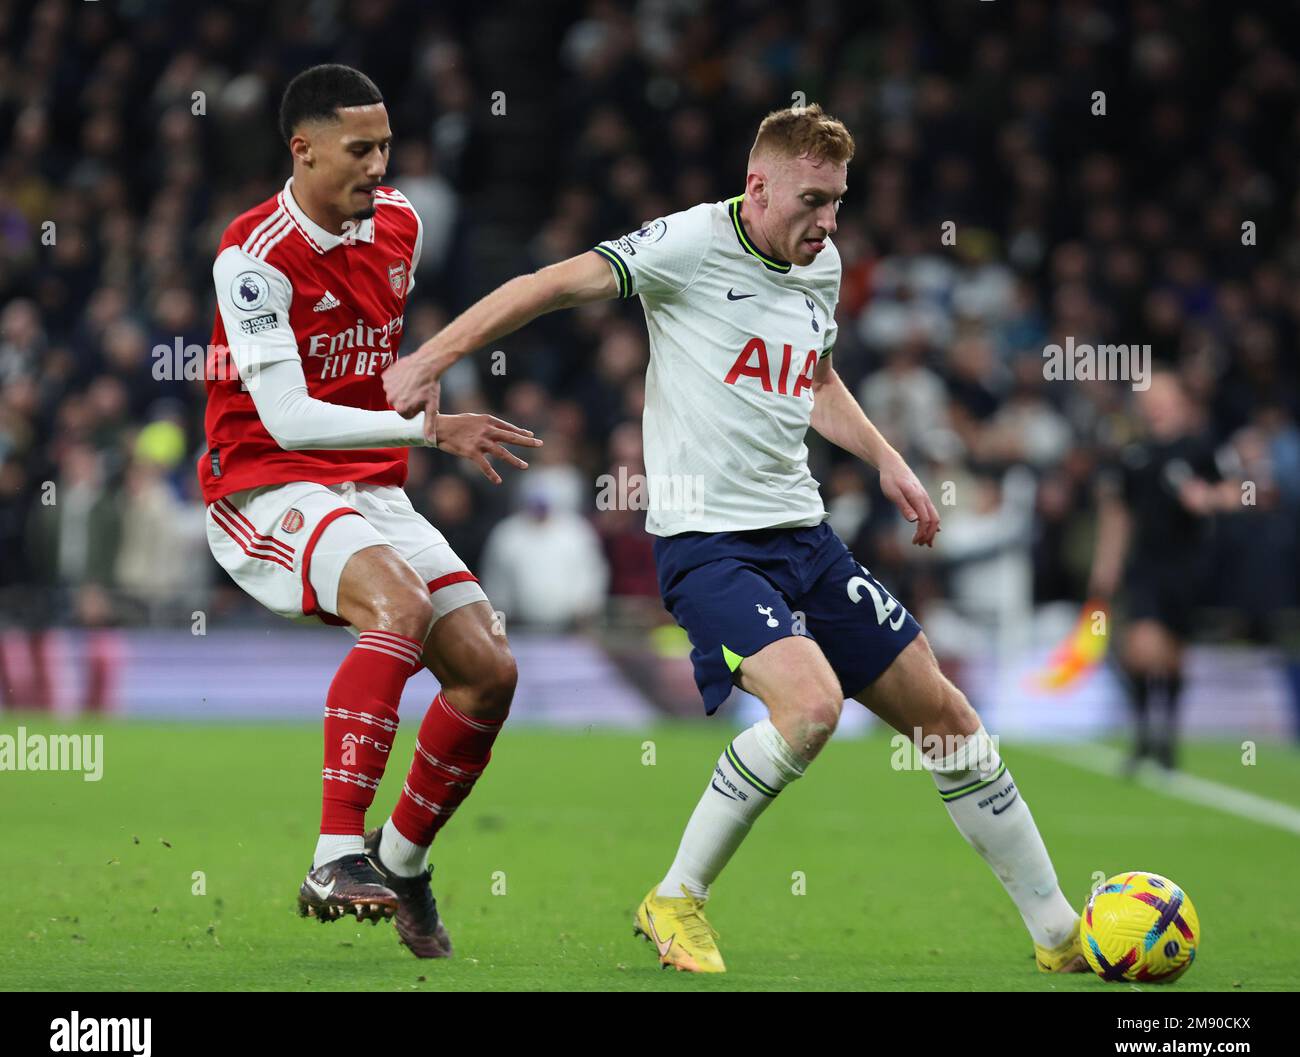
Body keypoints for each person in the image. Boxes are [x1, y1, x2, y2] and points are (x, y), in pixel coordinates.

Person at [384, 104, 1089, 975]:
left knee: (947, 718)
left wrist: (886, 457)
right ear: (757, 187)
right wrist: (429, 358)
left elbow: (818, 375)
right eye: (813, 200)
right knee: (811, 708)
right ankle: (676, 896)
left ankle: (1060, 933)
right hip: (709, 545)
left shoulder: (820, 263)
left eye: (838, 202)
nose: (828, 223)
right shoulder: (685, 245)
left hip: (805, 534)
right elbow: (549, 284)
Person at [199, 64, 540, 958]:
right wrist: (431, 430)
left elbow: (384, 367)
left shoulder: (402, 225)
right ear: (301, 149)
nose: (379, 165)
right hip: (265, 483)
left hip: (370, 486)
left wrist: (411, 424)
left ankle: (401, 860)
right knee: (398, 605)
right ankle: (333, 852)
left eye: (386, 145)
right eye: (360, 149)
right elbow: (288, 416)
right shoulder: (253, 256)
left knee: (488, 672)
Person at [1088, 369, 1233, 772]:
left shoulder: (1200, 448)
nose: (1154, 404)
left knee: (1171, 656)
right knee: (1139, 648)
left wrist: (1207, 498)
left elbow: (1239, 491)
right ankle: (1143, 734)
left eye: (1162, 395)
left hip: (1188, 567)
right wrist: (1106, 569)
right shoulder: (1134, 456)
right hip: (1146, 565)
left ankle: (1163, 738)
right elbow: (1117, 518)